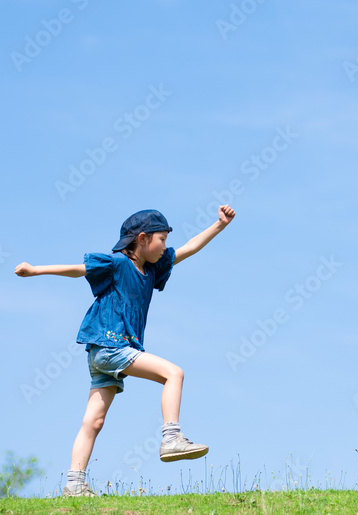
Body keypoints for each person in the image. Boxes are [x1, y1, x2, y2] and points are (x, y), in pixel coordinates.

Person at [14, 205, 236, 497]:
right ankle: (171, 437)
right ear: (142, 239)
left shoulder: (153, 269)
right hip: (111, 345)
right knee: (173, 374)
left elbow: (189, 248)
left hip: (101, 355)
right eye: (162, 240)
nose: (166, 247)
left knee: (93, 421)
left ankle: (74, 484)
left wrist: (219, 225)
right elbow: (77, 270)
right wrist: (34, 270)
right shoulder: (118, 263)